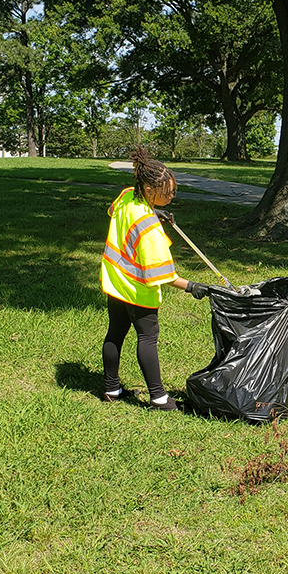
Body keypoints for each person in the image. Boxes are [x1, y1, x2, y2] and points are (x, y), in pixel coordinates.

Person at [99, 148, 209, 410]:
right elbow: (162, 274)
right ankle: (159, 398)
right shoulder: (149, 228)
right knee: (147, 337)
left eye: (172, 191)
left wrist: (153, 211)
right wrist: (192, 286)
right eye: (167, 192)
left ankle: (111, 389)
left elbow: (114, 211)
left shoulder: (128, 196)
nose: (172, 196)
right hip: (137, 288)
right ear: (149, 190)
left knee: (115, 332)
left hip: (115, 279)